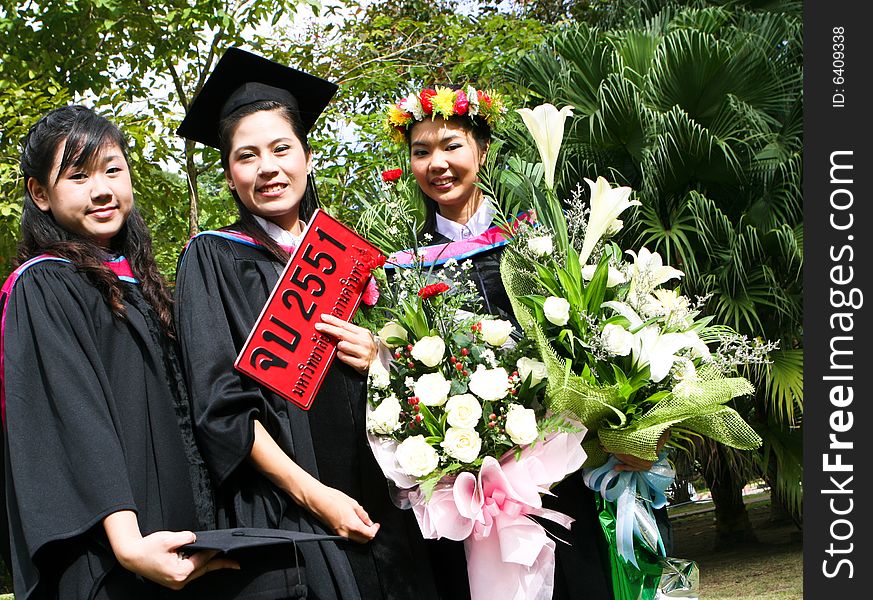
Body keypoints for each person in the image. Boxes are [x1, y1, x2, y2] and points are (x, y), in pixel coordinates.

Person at [385, 84, 673, 599]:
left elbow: (594, 344)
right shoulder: (402, 269)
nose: (437, 163)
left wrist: (638, 428)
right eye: (421, 151)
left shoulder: (535, 245)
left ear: (482, 149)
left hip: (560, 475)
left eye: (451, 145)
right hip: (464, 492)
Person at [173, 48, 438, 600]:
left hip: (384, 506)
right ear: (229, 175)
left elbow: (410, 376)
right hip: (291, 521)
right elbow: (218, 407)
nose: (268, 167)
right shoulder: (212, 258)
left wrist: (379, 355)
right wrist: (317, 498)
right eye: (247, 157)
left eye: (281, 148)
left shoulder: (347, 255)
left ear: (308, 157)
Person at [0, 105, 236, 600]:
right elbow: (75, 415)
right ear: (39, 194)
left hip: (176, 535)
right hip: (119, 552)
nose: (102, 189)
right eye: (78, 176)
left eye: (113, 170)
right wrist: (129, 545)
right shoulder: (45, 283)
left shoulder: (139, 282)